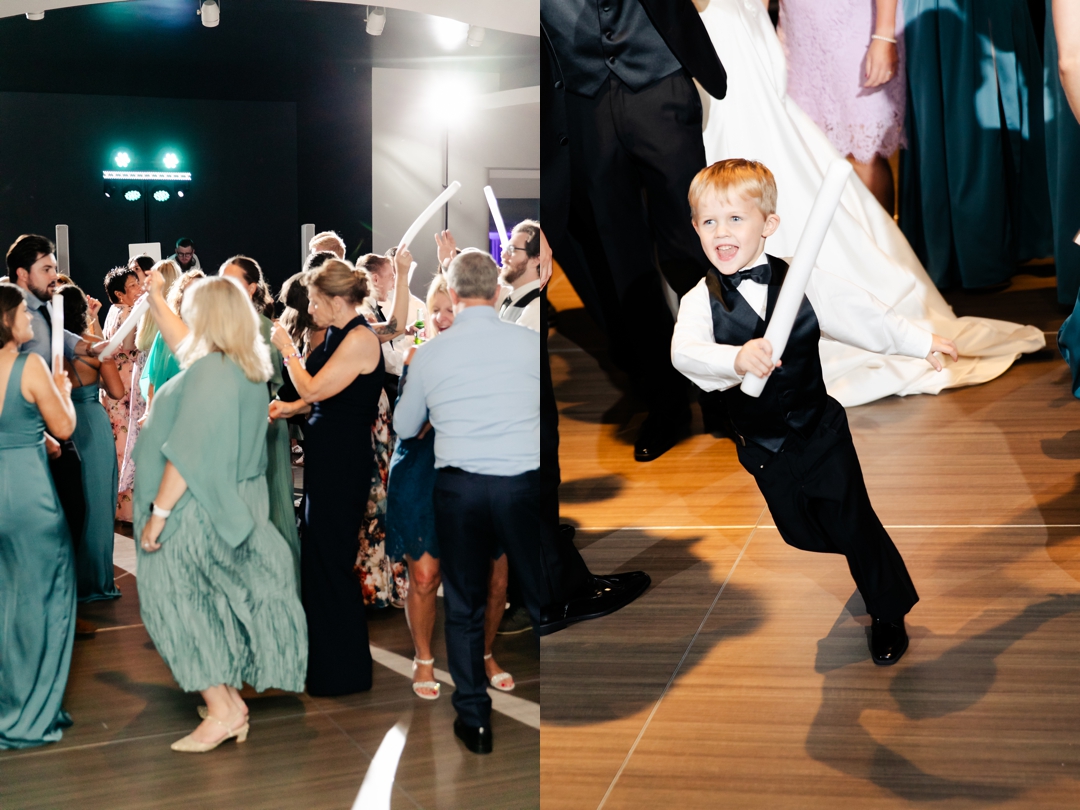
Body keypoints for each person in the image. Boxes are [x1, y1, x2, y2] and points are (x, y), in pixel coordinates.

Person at [671, 159, 960, 664]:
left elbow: (862, 314)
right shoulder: (699, 300)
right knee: (799, 532)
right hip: (763, 446)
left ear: (768, 224)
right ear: (695, 228)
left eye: (736, 219)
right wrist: (734, 358)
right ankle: (864, 556)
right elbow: (684, 353)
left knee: (852, 523)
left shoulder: (801, 280)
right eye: (710, 222)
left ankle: (887, 609)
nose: (722, 232)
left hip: (821, 432)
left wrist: (920, 342)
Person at [692, 0, 1046, 406]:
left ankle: (812, 318)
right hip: (781, 33)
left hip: (833, 27)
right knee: (803, 161)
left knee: (858, 157)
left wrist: (882, 35)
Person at [540, 0, 728, 462]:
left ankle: (724, 392)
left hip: (658, 81)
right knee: (620, 259)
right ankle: (664, 402)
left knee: (691, 247)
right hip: (581, 99)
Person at [135, 272, 307, 753]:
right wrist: (153, 300)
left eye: (191, 307)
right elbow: (188, 348)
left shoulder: (212, 371)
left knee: (176, 602)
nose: (186, 315)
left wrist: (159, 515)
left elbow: (189, 452)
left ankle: (225, 709)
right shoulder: (244, 364)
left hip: (201, 509)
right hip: (233, 500)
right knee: (208, 602)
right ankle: (226, 701)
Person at [392, 251, 552, 755]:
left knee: (463, 605)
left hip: (460, 488)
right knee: (543, 594)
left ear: (455, 297)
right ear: (498, 291)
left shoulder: (433, 354)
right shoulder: (530, 344)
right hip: (521, 484)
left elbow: (402, 427)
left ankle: (475, 723)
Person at [268, 251, 410, 696]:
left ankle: (344, 672)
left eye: (312, 300)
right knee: (322, 560)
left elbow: (312, 387)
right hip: (328, 454)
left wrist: (287, 350)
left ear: (333, 299)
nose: (308, 309)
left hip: (343, 459)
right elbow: (322, 397)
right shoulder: (338, 334)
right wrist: (289, 406)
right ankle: (326, 665)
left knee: (332, 561)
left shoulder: (360, 339)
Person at [386, 272, 516, 701]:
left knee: (495, 579)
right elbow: (408, 428)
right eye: (435, 310)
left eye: (450, 310)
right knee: (425, 576)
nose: (442, 319)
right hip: (422, 473)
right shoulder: (416, 359)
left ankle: (483, 653)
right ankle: (424, 657)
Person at [900, 0, 1052, 288]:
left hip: (989, 10)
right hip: (940, 15)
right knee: (965, 118)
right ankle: (973, 252)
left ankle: (1006, 244)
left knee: (1002, 112)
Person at [0, 283, 78, 748]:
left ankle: (10, 698)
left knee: (7, 597)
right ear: (6, 320)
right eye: (22, 314)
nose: (30, 319)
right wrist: (63, 390)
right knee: (44, 596)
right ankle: (31, 709)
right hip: (29, 496)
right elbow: (64, 427)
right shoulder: (29, 366)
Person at [779, 0, 904, 214]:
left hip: (856, 27)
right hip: (798, 33)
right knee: (810, 152)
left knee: (864, 153)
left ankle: (877, 243)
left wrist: (884, 35)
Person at [218, 255, 299, 568]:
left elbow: (276, 387)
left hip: (263, 427)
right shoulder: (219, 329)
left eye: (232, 281)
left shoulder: (264, 328)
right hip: (229, 431)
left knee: (271, 507)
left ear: (251, 288)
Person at [56, 283, 125, 603]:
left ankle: (67, 581)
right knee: (98, 502)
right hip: (92, 425)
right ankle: (97, 581)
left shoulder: (49, 350)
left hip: (60, 425)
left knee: (66, 502)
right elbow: (116, 392)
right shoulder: (95, 347)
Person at [118, 260, 181, 521]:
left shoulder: (149, 309)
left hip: (145, 383)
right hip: (158, 384)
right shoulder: (175, 316)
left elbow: (137, 342)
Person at [101, 265, 143, 521]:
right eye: (133, 286)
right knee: (124, 444)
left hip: (114, 379)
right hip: (124, 383)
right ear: (119, 294)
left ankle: (117, 506)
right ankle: (126, 510)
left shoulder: (113, 311)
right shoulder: (127, 311)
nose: (139, 289)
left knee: (118, 441)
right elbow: (128, 345)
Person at [357, 252, 425, 405]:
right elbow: (387, 360)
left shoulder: (372, 309)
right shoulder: (365, 313)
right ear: (375, 279)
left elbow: (387, 335)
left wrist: (405, 331)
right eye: (391, 277)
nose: (393, 284)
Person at [140, 269, 205, 407]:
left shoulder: (211, 333)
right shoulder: (164, 334)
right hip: (166, 408)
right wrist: (149, 411)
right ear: (180, 297)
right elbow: (153, 377)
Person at [498, 219, 542, 330]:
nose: (503, 256)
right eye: (505, 249)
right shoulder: (513, 297)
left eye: (512, 250)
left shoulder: (536, 307)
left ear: (536, 259)